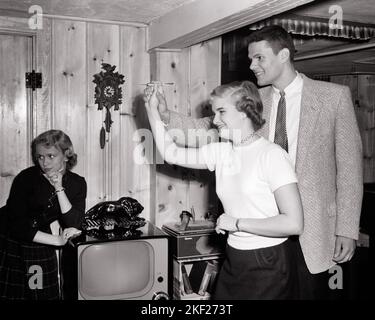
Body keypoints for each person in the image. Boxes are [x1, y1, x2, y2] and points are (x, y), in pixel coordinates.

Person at [154, 25, 363, 299]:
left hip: (313, 230)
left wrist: (347, 229)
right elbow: (206, 126)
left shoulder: (333, 97)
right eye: (251, 58)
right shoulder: (253, 99)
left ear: (284, 54)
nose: (252, 65)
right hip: (261, 236)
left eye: (259, 58)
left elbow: (349, 169)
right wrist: (165, 115)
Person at [144, 81, 304, 299]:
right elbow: (171, 153)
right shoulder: (221, 152)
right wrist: (152, 110)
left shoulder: (271, 155)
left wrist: (237, 223)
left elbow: (294, 223)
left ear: (244, 111)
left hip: (269, 261)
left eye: (221, 112)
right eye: (214, 112)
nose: (215, 120)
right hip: (234, 256)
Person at [0, 129, 87, 300]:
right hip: (8, 238)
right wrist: (57, 240)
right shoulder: (26, 178)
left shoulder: (77, 183)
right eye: (40, 157)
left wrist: (59, 188)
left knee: (42, 292)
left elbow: (74, 222)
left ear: (66, 155)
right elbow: (18, 226)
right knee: (12, 294)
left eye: (51, 156)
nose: (44, 162)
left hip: (39, 239)